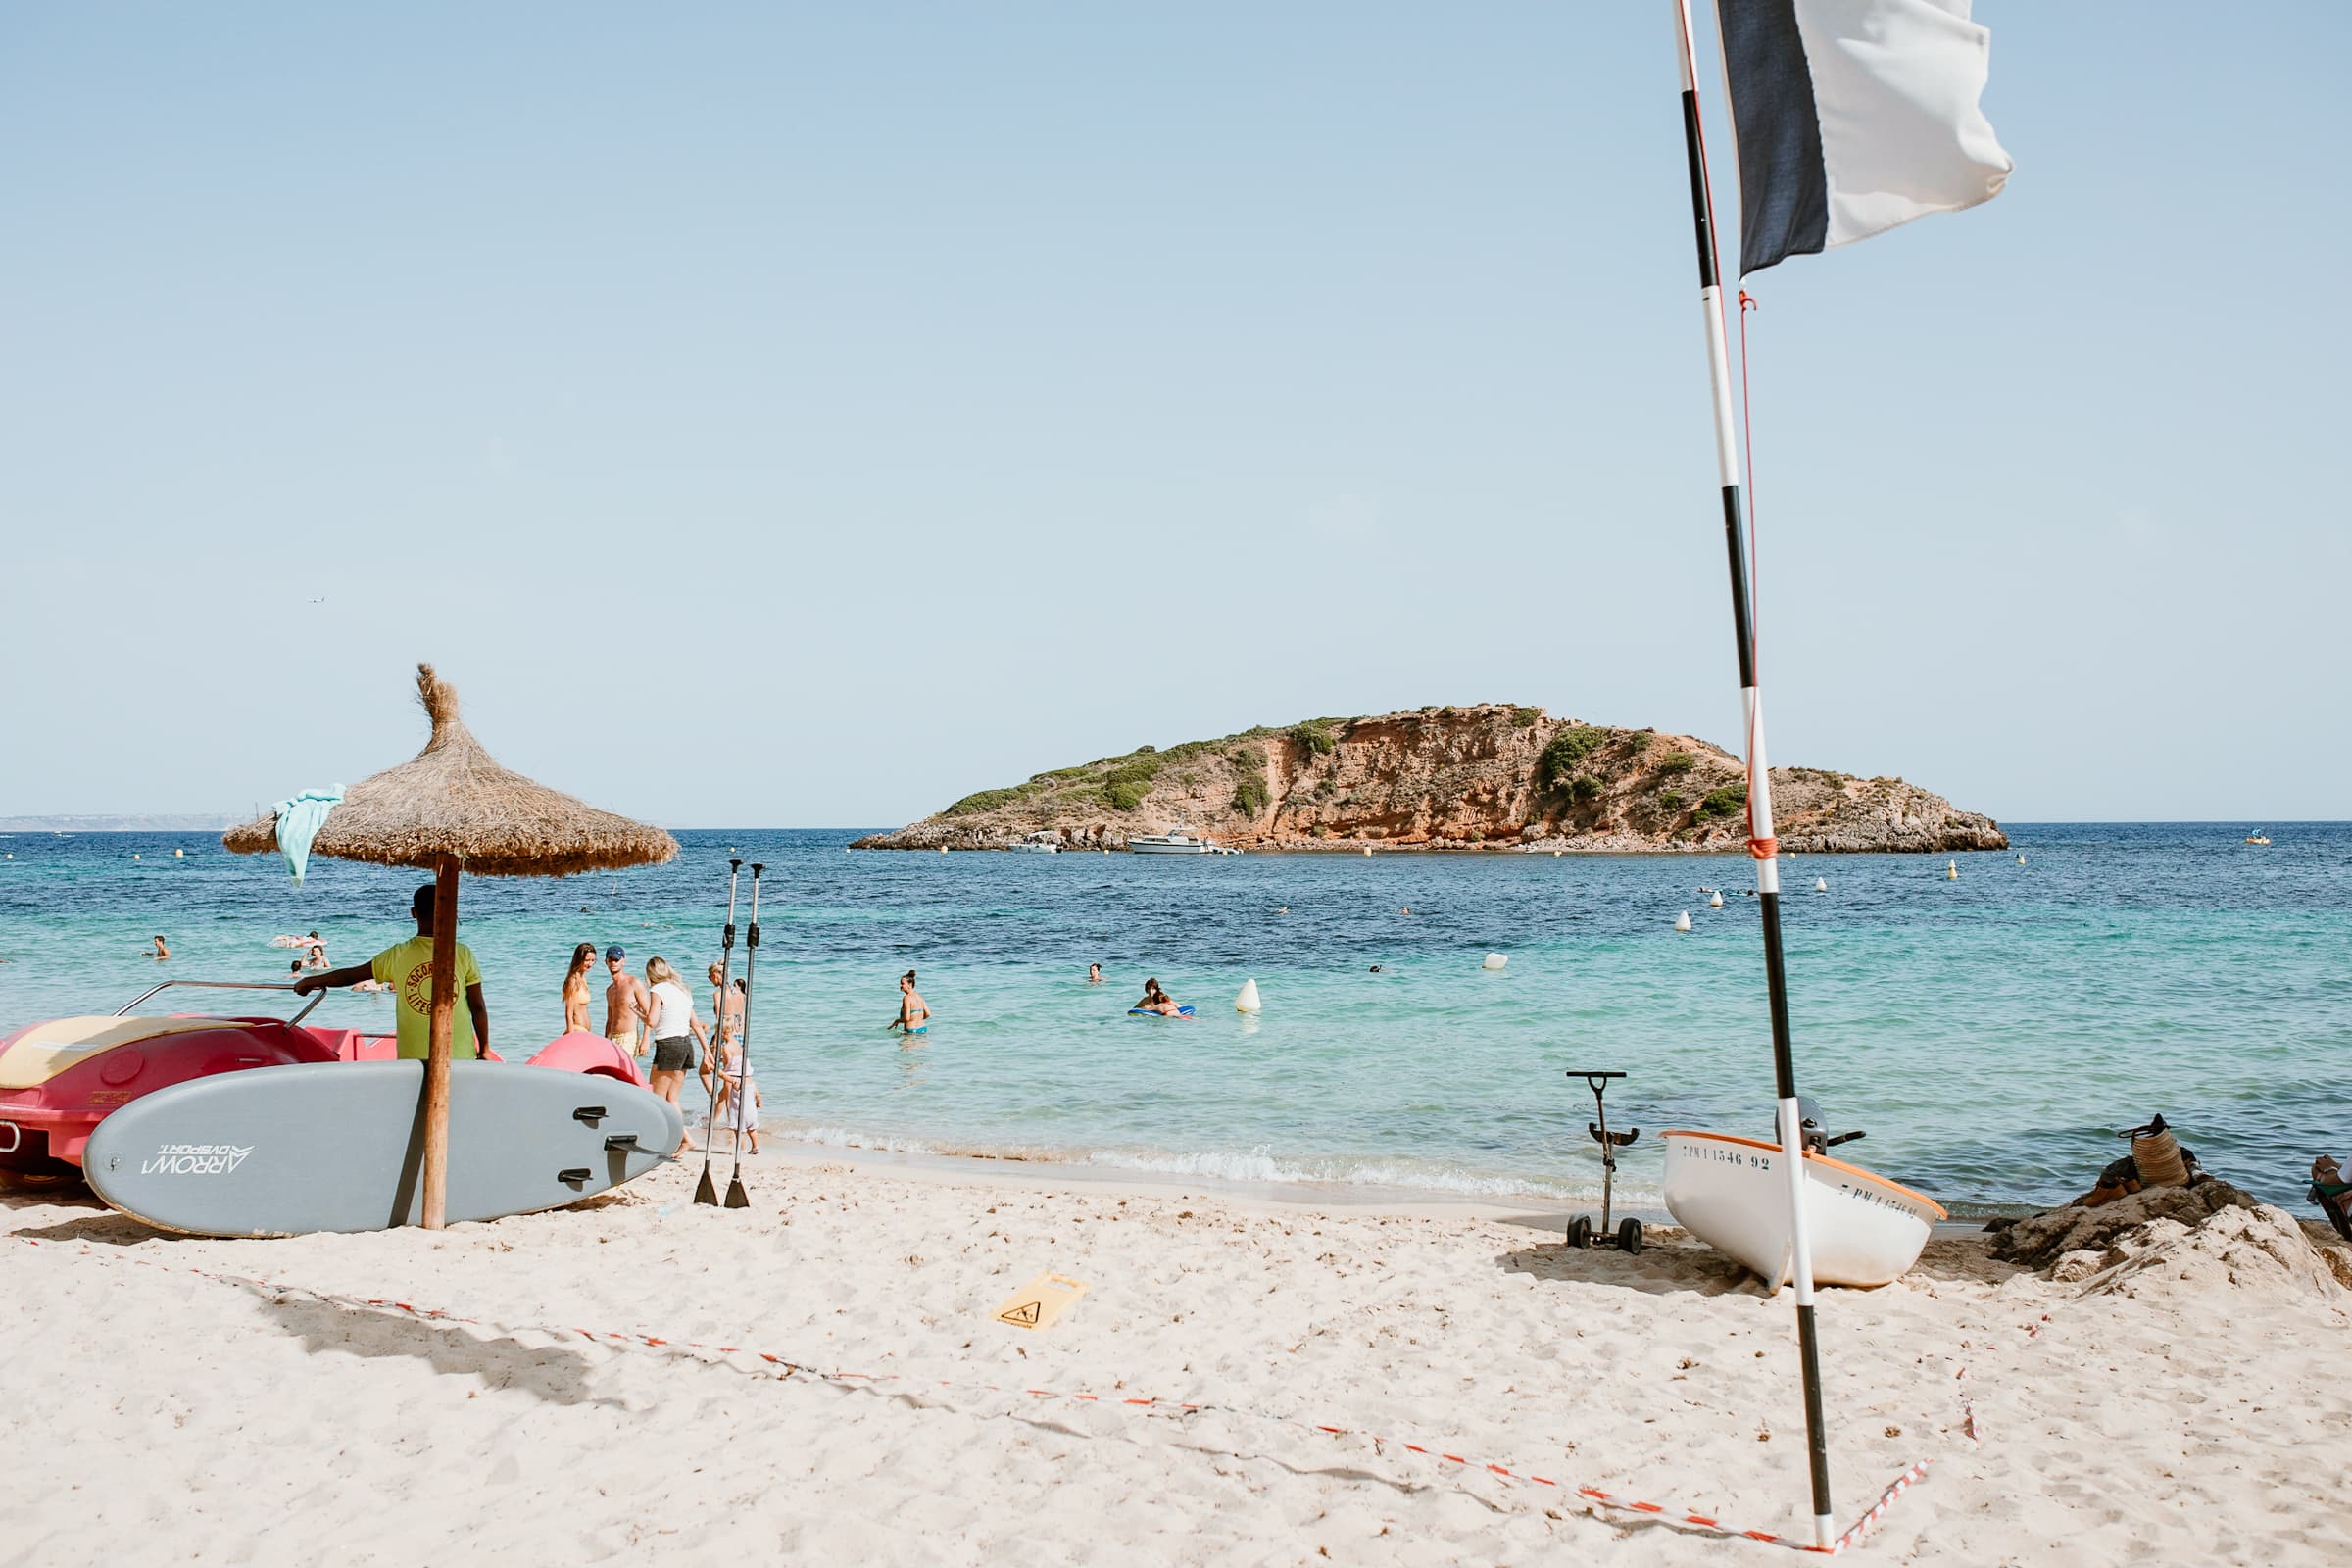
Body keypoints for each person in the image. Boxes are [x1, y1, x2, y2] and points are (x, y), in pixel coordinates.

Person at [296, 882, 489, 1060]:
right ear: (448, 911)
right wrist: (485, 1049)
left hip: (412, 1057)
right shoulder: (462, 953)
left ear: (413, 913)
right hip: (460, 1055)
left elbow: (349, 975)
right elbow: (477, 1006)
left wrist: (310, 981)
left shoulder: (397, 954)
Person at [642, 956, 708, 1138]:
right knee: (673, 1098)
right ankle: (682, 1139)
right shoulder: (682, 990)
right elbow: (695, 1024)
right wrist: (707, 1051)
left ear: (650, 974)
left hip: (669, 1045)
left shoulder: (657, 990)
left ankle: (662, 1138)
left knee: (657, 1098)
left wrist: (641, 1015)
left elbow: (653, 1021)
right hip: (686, 1045)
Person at [603, 946, 648, 1057]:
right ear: (606, 962)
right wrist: (605, 1041)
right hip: (612, 1037)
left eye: (617, 960)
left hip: (628, 1038)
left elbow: (648, 1013)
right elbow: (609, 1019)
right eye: (610, 960)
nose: (613, 963)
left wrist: (645, 1040)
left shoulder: (634, 983)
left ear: (623, 961)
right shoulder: (609, 990)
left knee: (624, 1072)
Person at [561, 942, 597, 1034]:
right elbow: (569, 1012)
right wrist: (571, 1035)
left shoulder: (583, 978)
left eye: (593, 960)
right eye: (587, 960)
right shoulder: (573, 980)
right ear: (579, 960)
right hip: (576, 1030)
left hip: (584, 1031)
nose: (590, 964)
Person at [890, 970, 930, 1035]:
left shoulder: (907, 998)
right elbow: (928, 1014)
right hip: (923, 1029)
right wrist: (917, 1019)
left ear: (910, 984)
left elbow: (907, 1018)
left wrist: (897, 1021)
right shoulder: (919, 996)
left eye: (902, 983)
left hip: (911, 1031)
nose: (900, 985)